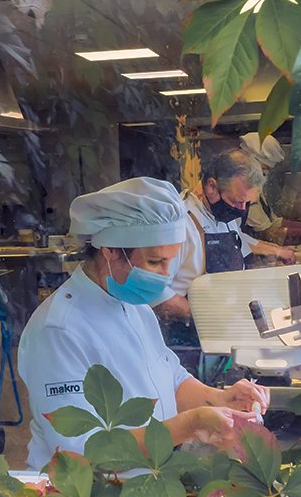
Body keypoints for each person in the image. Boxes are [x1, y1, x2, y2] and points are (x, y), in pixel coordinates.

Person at [17, 177, 271, 469]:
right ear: (110, 250)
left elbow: (169, 379)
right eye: (154, 262)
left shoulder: (133, 304)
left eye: (170, 262)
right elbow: (80, 452)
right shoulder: (58, 331)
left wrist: (220, 399)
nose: (165, 276)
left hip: (144, 478)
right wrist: (188, 425)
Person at [153, 149, 294, 324]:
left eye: (246, 203)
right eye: (236, 201)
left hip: (230, 323)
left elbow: (242, 240)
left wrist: (276, 252)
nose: (241, 210)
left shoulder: (224, 216)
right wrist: (205, 317)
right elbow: (157, 294)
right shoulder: (181, 225)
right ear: (211, 187)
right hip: (193, 334)